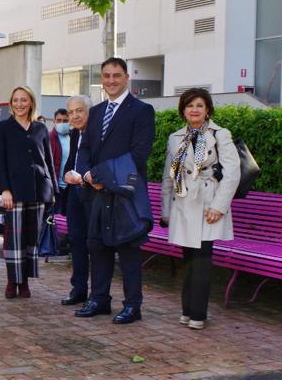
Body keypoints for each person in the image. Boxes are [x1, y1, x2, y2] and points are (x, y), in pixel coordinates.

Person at [75, 57, 155, 324]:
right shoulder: (95, 112)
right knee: (97, 247)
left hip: (125, 194)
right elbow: (85, 148)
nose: (111, 80)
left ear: (126, 77)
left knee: (129, 251)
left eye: (116, 75)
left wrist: (100, 176)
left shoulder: (142, 110)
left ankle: (133, 305)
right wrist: (87, 175)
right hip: (96, 193)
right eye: (106, 75)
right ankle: (99, 300)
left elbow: (139, 154)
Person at [160, 88, 240, 330]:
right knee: (189, 259)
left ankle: (198, 314)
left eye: (199, 105)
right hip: (184, 203)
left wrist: (219, 206)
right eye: (189, 105)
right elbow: (169, 175)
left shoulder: (219, 134)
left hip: (207, 203)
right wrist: (166, 209)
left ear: (207, 110)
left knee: (202, 260)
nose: (194, 110)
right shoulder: (176, 137)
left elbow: (232, 173)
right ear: (183, 110)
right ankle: (187, 310)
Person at [0, 86, 58, 299]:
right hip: (15, 192)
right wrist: (5, 190)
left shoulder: (40, 128)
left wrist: (53, 189)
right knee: (14, 240)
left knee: (31, 239)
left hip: (39, 190)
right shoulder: (3, 128)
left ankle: (25, 282)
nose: (19, 104)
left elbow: (48, 160)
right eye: (16, 100)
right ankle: (13, 281)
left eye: (24, 100)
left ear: (31, 102)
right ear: (11, 104)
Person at [60, 95, 92, 306]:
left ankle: (97, 293)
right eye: (71, 112)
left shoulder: (98, 134)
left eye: (79, 111)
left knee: (96, 245)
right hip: (74, 195)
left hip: (94, 194)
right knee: (77, 242)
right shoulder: (73, 135)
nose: (75, 116)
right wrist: (65, 175)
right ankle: (78, 289)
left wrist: (86, 176)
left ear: (89, 111)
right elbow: (70, 161)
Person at [50, 108, 71, 208]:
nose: (62, 123)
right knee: (55, 220)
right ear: (54, 121)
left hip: (71, 187)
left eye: (65, 121)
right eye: (59, 120)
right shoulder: (49, 138)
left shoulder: (75, 137)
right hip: (56, 189)